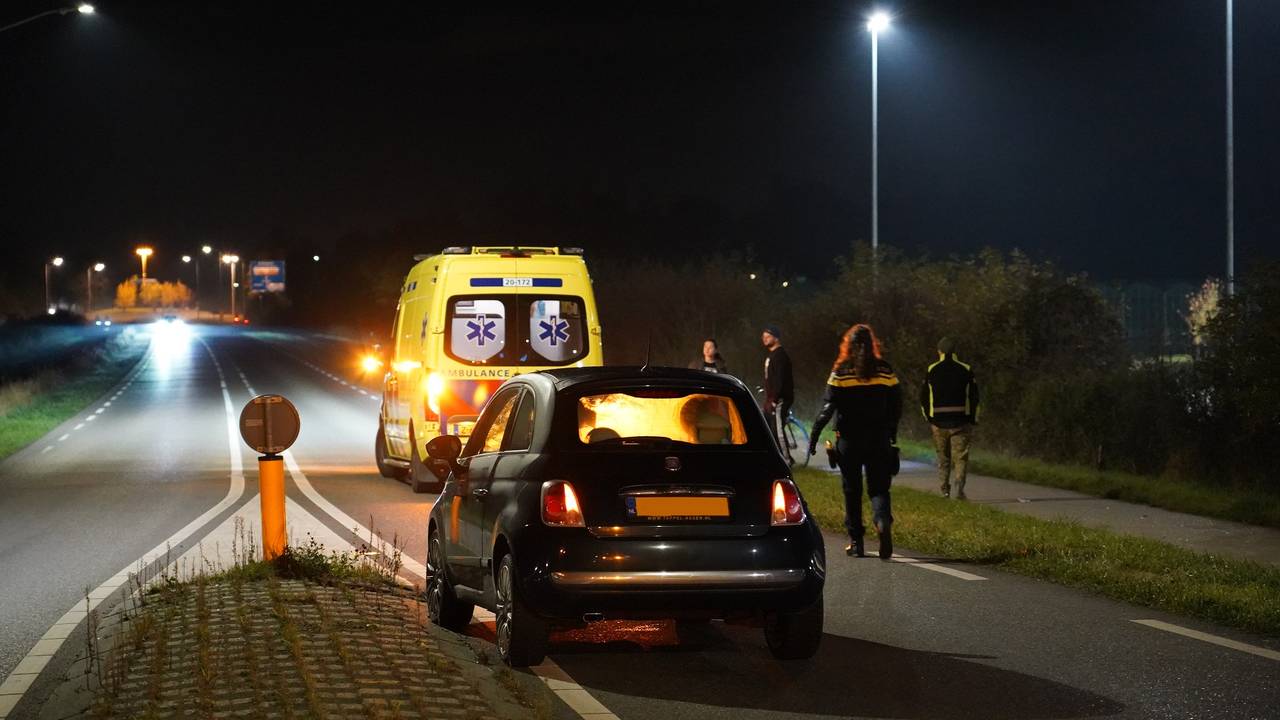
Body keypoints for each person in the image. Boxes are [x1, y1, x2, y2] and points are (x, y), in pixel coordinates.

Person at [808, 324, 902, 559]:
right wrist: (892, 431)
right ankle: (881, 521)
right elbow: (897, 404)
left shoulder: (841, 372)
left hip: (849, 441)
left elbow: (827, 408)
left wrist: (815, 435)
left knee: (852, 490)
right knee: (879, 488)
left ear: (848, 345)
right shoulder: (885, 371)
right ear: (873, 344)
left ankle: (857, 542)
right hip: (878, 439)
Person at [920, 337, 979, 500]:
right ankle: (960, 486)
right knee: (960, 457)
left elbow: (924, 397)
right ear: (954, 351)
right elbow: (974, 397)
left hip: (938, 423)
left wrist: (929, 417)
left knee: (943, 457)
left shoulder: (932, 369)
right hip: (961, 422)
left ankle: (945, 490)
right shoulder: (966, 369)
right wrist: (973, 418)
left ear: (939, 351)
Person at [761, 325, 794, 458]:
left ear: (776, 337)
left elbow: (780, 379)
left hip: (781, 399)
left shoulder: (780, 355)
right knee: (771, 429)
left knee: (778, 430)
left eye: (768, 336)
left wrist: (774, 399)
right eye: (763, 337)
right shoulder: (772, 355)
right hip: (772, 399)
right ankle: (776, 456)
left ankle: (786, 459)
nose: (764, 339)